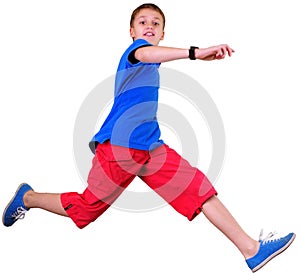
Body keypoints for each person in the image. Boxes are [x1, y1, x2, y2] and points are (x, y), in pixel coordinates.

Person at [2, 3, 295, 273]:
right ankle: (28, 197)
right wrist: (195, 52)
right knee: (86, 208)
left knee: (200, 189)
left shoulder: (153, 61)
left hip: (151, 149)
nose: (149, 26)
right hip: (119, 147)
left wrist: (202, 58)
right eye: (142, 22)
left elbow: (156, 56)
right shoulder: (135, 53)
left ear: (163, 32)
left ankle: (251, 250)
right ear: (132, 32)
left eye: (156, 22)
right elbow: (147, 53)